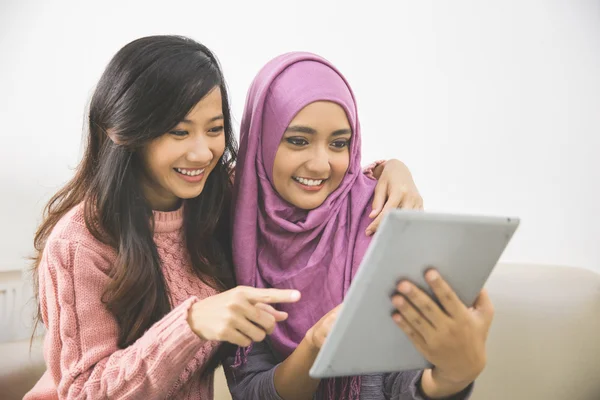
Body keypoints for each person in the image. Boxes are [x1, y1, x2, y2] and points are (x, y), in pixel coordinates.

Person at [25, 36, 423, 399]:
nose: (202, 153)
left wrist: (391, 170)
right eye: (179, 133)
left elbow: (302, 176)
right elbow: (82, 392)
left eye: (214, 129)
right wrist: (192, 323)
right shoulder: (80, 243)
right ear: (124, 131)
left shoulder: (219, 200)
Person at [226, 52, 494, 400]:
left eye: (339, 143)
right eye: (297, 140)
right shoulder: (231, 236)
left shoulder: (380, 212)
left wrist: (451, 377)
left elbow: (405, 377)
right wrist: (314, 345)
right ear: (262, 137)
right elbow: (249, 391)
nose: (321, 164)